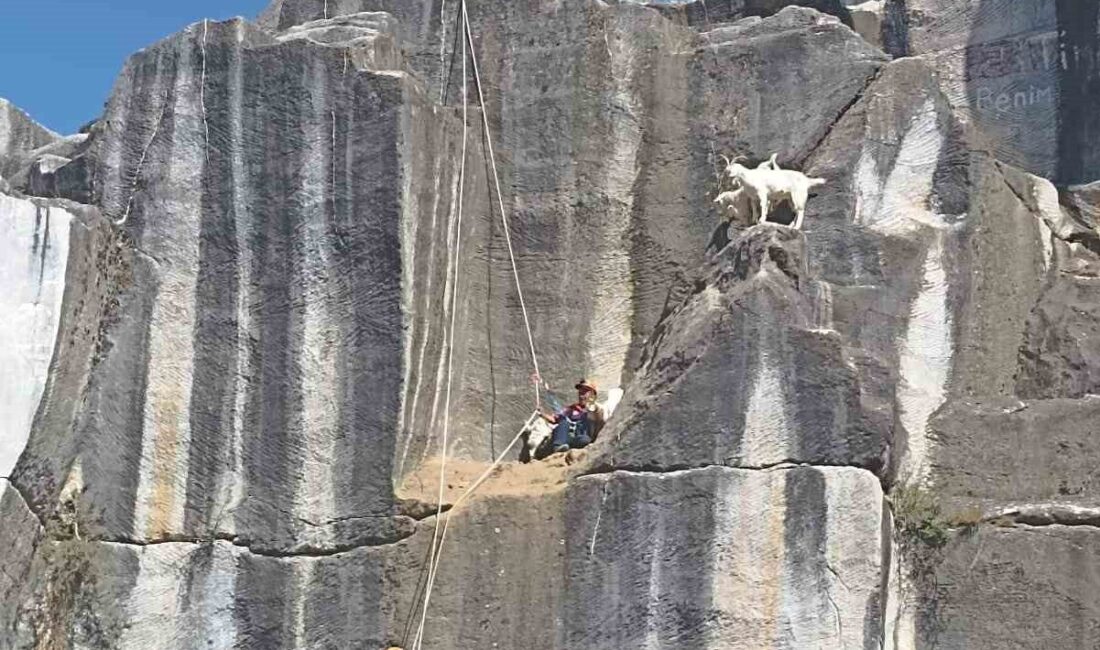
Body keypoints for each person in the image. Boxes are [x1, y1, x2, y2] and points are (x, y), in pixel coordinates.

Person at [541, 380, 605, 453]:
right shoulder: (572, 409)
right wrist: (542, 414)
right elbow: (555, 419)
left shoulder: (596, 410)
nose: (581, 395)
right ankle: (558, 447)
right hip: (567, 437)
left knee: (584, 439)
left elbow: (600, 418)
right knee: (564, 421)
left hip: (581, 438)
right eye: (580, 392)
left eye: (585, 392)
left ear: (593, 395)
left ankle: (570, 447)